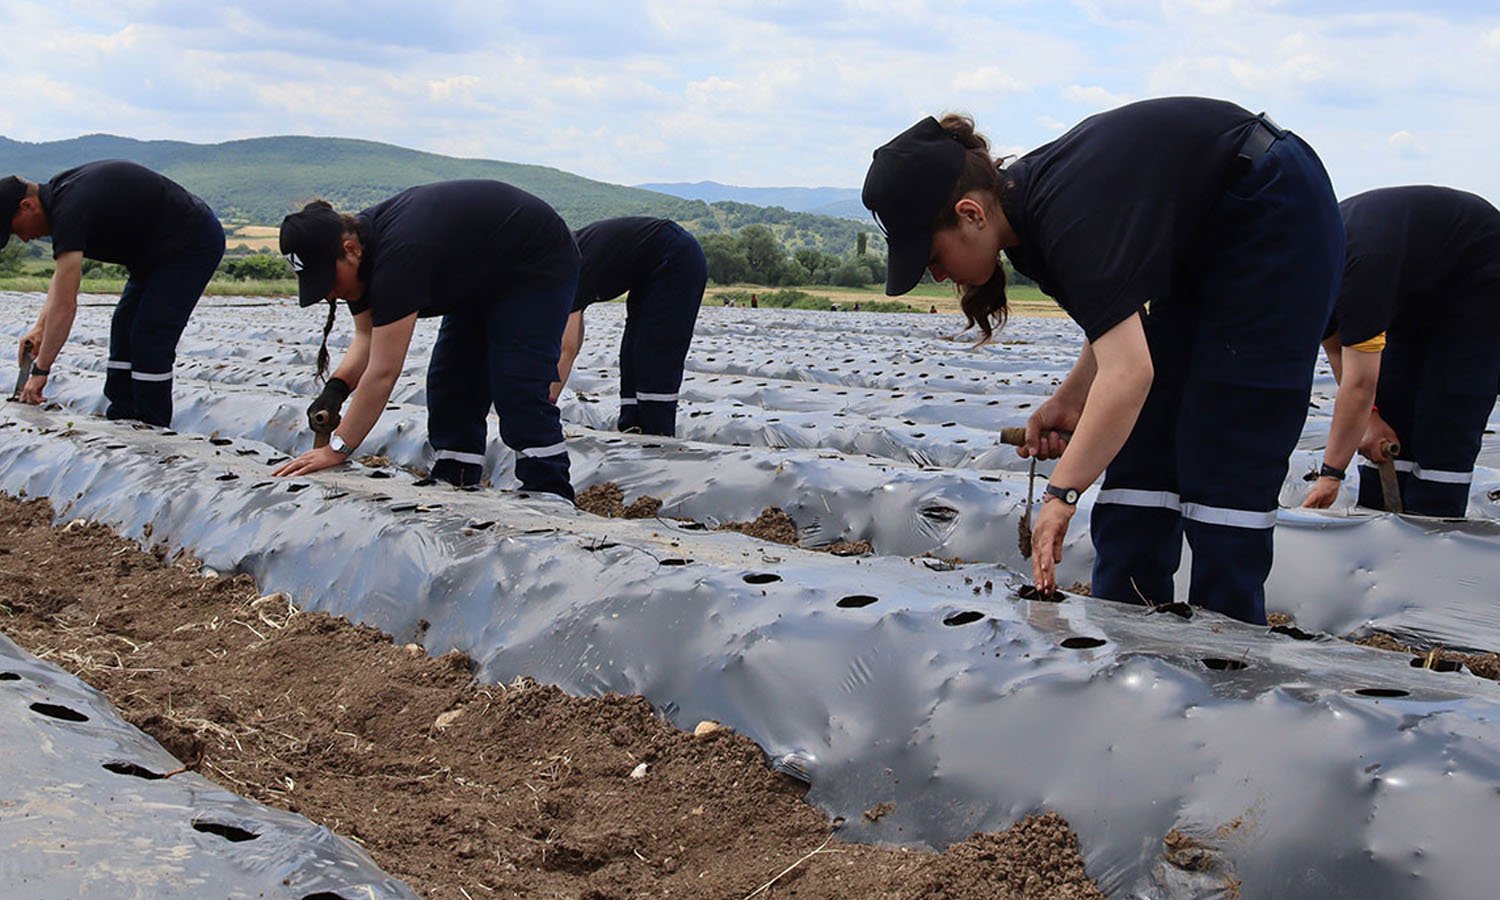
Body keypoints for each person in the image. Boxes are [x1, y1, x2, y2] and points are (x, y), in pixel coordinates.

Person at [863, 98, 1344, 625]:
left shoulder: (1065, 214)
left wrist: (1061, 494)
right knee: (1145, 444)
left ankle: (1221, 661)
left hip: (1271, 208)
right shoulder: (1027, 226)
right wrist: (1070, 400)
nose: (936, 276)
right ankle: (1124, 634)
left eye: (933, 258)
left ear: (970, 215)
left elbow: (1129, 372)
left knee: (1227, 441)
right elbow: (1114, 318)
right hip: (1205, 239)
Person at [272, 180, 579, 501]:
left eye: (328, 280)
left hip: (534, 261)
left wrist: (339, 448)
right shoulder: (358, 259)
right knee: (450, 381)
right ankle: (455, 482)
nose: (329, 293)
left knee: (518, 382)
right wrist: (335, 390)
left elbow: (383, 371)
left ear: (350, 249)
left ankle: (549, 491)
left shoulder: (398, 256)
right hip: (479, 275)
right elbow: (366, 337)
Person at [1302, 186, 1500, 517]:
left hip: (1479, 279)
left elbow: (1360, 385)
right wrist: (1372, 419)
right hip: (1414, 290)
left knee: (1445, 416)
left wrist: (1331, 476)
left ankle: (1436, 526)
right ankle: (1378, 516)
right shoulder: (1308, 275)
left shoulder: (1358, 269)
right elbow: (1337, 352)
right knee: (1393, 403)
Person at [2, 161, 224, 426]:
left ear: (28, 206)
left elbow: (65, 304)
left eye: (15, 229)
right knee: (122, 330)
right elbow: (61, 279)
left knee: (150, 335)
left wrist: (41, 370)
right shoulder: (61, 200)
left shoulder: (69, 208)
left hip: (191, 243)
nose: (23, 239)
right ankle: (123, 419)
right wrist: (40, 328)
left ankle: (151, 428)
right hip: (151, 255)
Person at [551, 216, 706, 437]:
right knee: (632, 350)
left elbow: (566, 348)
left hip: (675, 256)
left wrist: (547, 403)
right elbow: (572, 334)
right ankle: (633, 428)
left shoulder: (564, 269)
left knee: (654, 353)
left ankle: (657, 438)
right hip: (650, 267)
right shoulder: (562, 262)